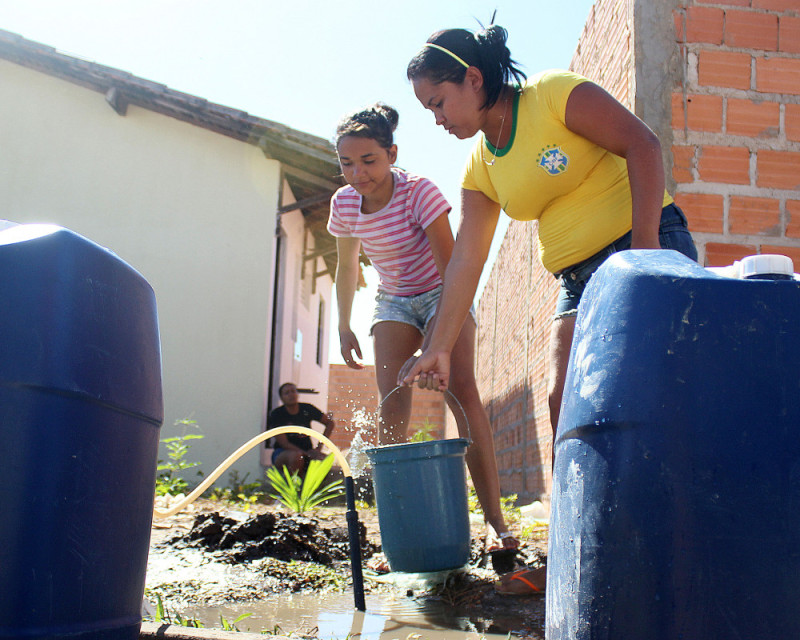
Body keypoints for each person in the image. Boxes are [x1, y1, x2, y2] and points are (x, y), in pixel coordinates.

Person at [400, 24, 698, 593]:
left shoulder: (554, 95)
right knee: (568, 406)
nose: (436, 118)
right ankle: (581, 550)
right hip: (575, 277)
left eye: (438, 102)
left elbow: (643, 145)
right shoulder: (482, 166)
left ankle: (670, 541)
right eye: (427, 109)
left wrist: (643, 252)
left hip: (643, 246)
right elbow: (466, 260)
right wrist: (437, 345)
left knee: (657, 399)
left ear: (474, 78)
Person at [328, 103, 517, 550]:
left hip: (440, 292)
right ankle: (396, 530)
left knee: (461, 391)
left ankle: (495, 521)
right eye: (347, 163)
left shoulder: (420, 193)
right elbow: (346, 266)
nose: (358, 173)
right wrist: (343, 324)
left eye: (369, 161)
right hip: (392, 299)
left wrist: (436, 342)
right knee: (391, 400)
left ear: (392, 153)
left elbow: (453, 269)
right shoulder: (345, 204)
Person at [268, 382, 335, 475]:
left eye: (293, 391)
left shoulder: (307, 408)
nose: (291, 394)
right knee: (297, 457)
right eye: (287, 393)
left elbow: (330, 423)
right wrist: (306, 454)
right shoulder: (277, 414)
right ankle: (295, 487)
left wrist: (319, 447)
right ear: (282, 398)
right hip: (283, 453)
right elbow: (284, 443)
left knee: (326, 460)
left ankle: (315, 488)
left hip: (307, 451)